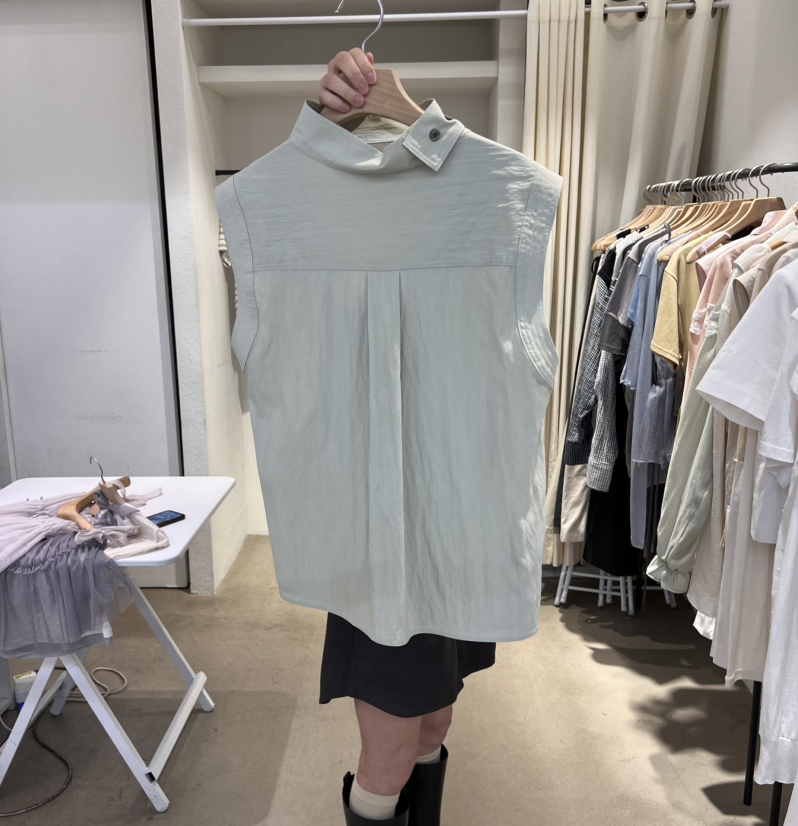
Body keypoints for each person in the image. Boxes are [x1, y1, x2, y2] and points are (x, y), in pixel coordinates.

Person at [315, 50, 498, 826]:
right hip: (383, 528)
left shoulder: (472, 193)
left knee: (436, 717)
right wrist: (325, 132)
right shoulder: (324, 209)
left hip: (453, 509)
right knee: (390, 745)